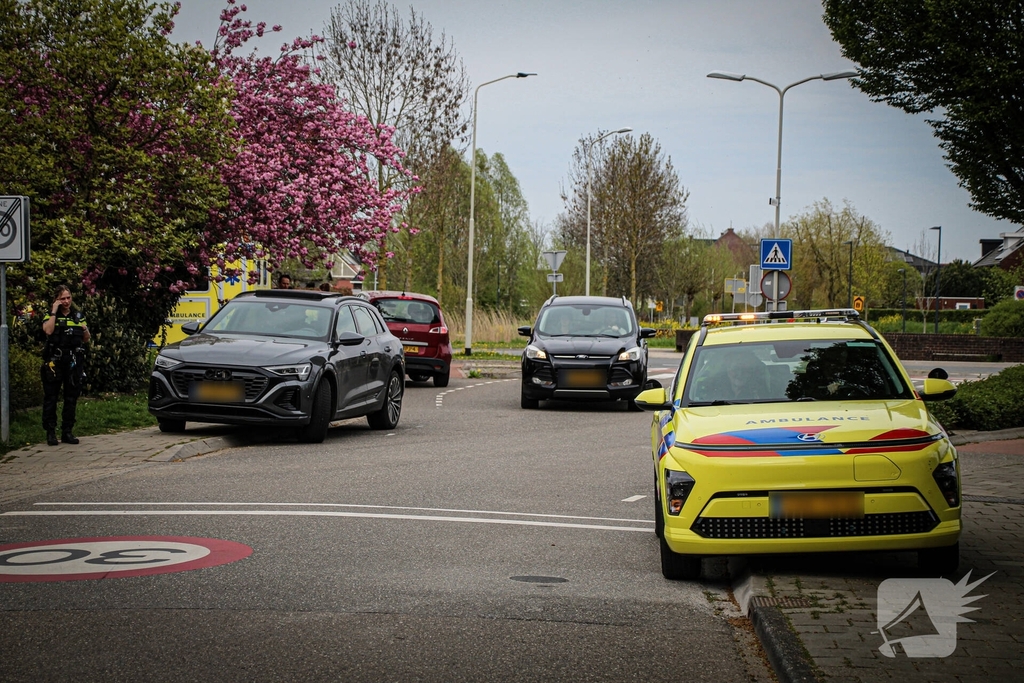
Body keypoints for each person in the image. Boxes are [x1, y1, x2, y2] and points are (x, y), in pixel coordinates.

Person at [41, 285, 90, 446]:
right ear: (57, 299)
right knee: (51, 398)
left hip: (73, 362)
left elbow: (86, 338)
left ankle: (67, 432)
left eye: (68, 297)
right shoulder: (50, 315)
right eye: (63, 298)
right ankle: (50, 432)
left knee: (71, 398)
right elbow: (48, 331)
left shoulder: (78, 316)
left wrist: (85, 330)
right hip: (55, 362)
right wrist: (54, 311)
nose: (67, 301)